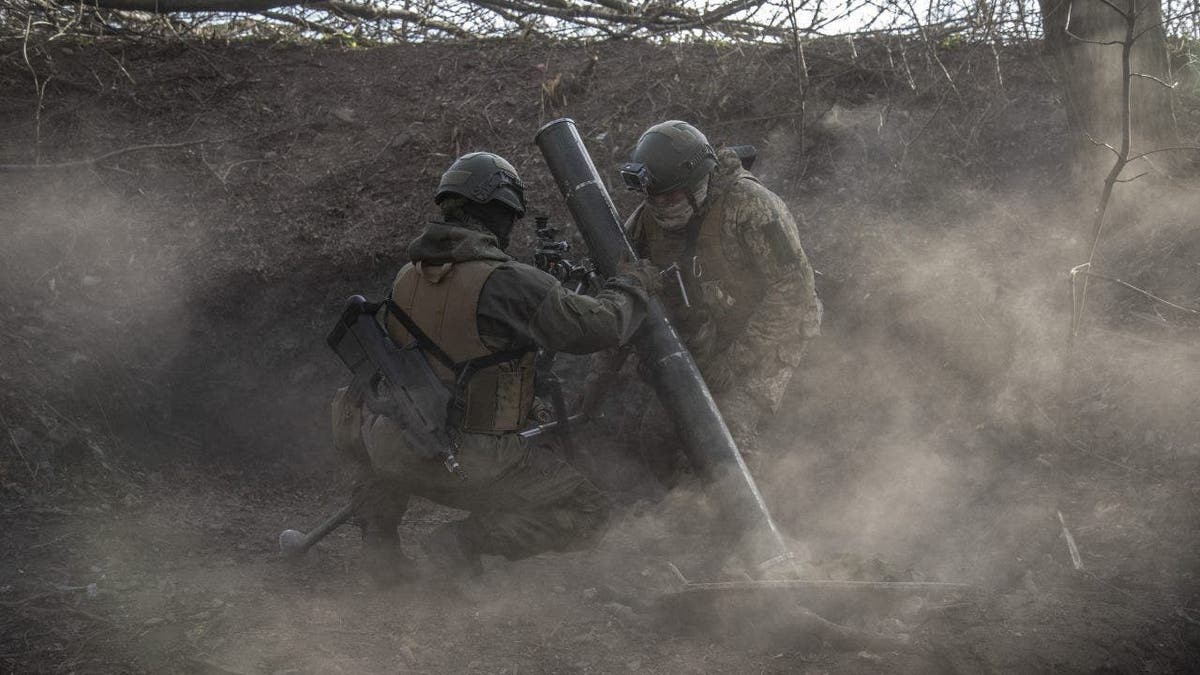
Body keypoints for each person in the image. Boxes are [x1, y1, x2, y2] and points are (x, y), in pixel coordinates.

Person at [330, 151, 660, 584]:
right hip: (468, 464)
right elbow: (600, 327)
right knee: (588, 509)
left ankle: (380, 549)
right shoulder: (508, 282)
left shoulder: (406, 277)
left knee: (389, 420)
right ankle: (463, 542)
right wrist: (632, 285)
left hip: (398, 450)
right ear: (498, 211)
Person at [581, 120, 822, 484]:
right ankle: (680, 511)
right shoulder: (645, 224)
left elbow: (793, 291)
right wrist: (595, 385)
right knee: (657, 433)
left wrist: (736, 360)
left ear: (698, 184)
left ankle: (749, 521)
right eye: (653, 198)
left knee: (724, 437)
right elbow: (624, 297)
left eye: (671, 197)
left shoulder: (752, 208)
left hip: (773, 331)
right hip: (710, 335)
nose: (661, 207)